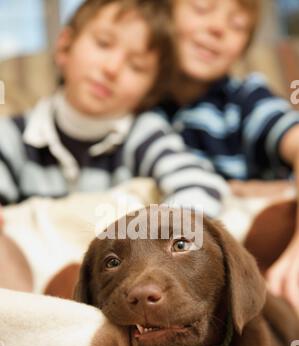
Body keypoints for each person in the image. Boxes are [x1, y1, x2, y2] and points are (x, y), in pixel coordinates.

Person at [0, 0, 228, 218]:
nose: (112, 68)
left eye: (136, 66)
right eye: (103, 43)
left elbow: (200, 187)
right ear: (64, 47)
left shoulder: (145, 134)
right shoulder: (11, 135)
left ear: (150, 91)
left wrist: (158, 242)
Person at [164, 0, 299, 309]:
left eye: (237, 26)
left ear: (242, 49)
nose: (218, 28)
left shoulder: (244, 99)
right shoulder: (136, 108)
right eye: (201, 8)